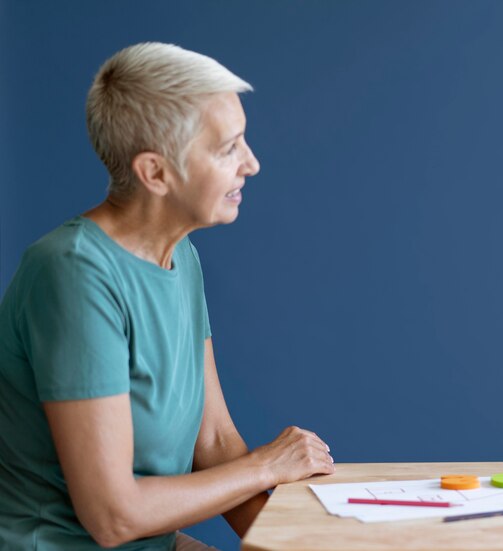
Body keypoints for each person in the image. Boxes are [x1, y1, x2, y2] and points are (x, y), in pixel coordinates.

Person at [0, 43, 335, 550]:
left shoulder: (180, 257)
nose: (252, 163)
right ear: (155, 172)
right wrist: (267, 464)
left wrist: (296, 545)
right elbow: (114, 517)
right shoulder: (72, 274)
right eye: (229, 148)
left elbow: (215, 444)